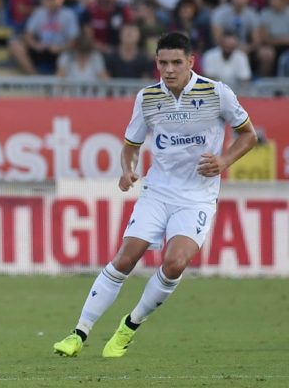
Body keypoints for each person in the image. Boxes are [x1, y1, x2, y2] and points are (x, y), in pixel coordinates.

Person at [52, 31, 257, 358]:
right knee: (125, 259)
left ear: (191, 62)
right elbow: (130, 146)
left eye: (177, 62)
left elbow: (248, 136)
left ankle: (128, 327)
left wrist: (224, 161)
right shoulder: (147, 97)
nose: (170, 69)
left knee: (175, 263)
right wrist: (127, 169)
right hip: (157, 191)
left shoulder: (217, 93)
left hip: (197, 196)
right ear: (156, 64)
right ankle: (78, 333)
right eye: (163, 63)